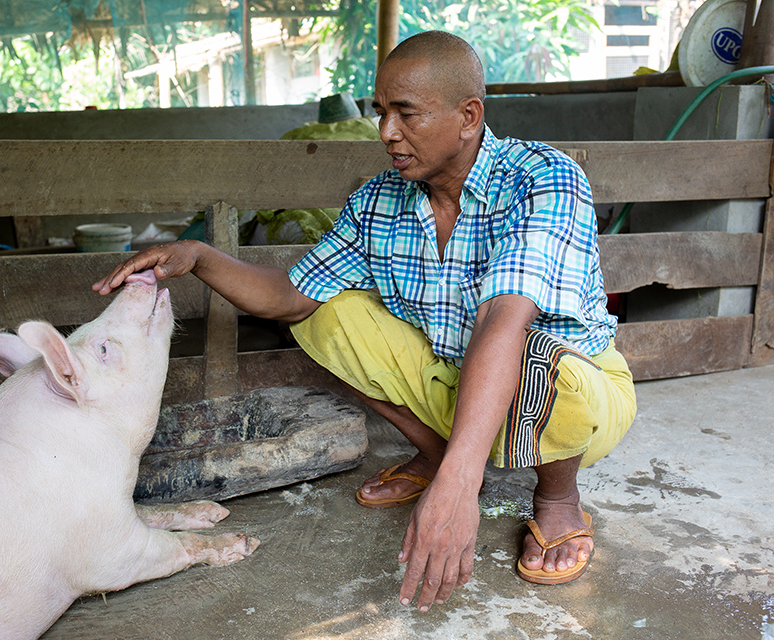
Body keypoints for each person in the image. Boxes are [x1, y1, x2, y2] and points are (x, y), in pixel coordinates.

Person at [93, 30, 636, 612]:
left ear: (468, 116)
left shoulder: (543, 179)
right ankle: (439, 454)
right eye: (381, 112)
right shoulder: (379, 201)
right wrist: (199, 257)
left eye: (407, 113)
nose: (387, 133)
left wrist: (458, 490)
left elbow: (504, 320)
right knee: (329, 317)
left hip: (573, 390)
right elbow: (292, 294)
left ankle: (556, 498)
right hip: (457, 380)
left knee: (536, 352)